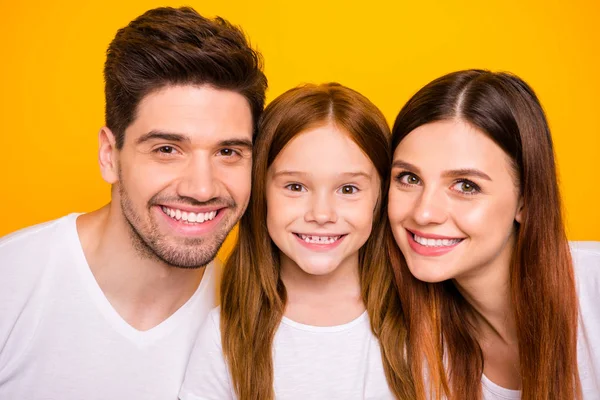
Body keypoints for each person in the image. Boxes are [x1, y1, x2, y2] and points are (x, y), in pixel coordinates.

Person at [0, 6, 267, 399]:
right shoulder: (11, 282)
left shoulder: (250, 324)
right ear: (110, 155)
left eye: (228, 152)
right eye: (166, 148)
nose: (202, 187)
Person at [179, 83, 417, 399]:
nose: (321, 214)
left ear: (381, 197)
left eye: (348, 189)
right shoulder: (223, 335)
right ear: (260, 191)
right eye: (295, 187)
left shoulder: (421, 328)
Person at [387, 69, 600, 399]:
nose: (424, 213)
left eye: (466, 186)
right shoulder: (402, 343)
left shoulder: (594, 290)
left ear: (525, 200)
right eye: (409, 178)